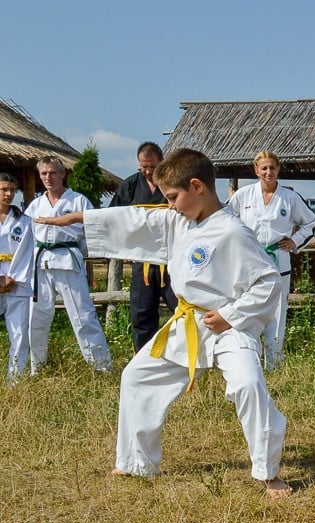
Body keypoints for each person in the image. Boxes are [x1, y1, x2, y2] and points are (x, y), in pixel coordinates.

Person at [35, 148, 292, 498]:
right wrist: (81, 218)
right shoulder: (180, 221)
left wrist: (231, 315)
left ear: (198, 186)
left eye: (173, 196)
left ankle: (268, 473)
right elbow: (137, 220)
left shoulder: (233, 231)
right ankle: (135, 462)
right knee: (136, 377)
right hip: (189, 321)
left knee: (248, 385)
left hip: (230, 327)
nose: (170, 205)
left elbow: (268, 282)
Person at [229, 151, 315, 370]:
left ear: (278, 170)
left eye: (272, 168)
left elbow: (310, 223)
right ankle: (247, 362)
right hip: (249, 262)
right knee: (246, 310)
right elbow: (225, 220)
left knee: (277, 312)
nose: (268, 172)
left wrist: (294, 241)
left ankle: (274, 365)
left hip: (279, 260)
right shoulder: (243, 195)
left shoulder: (290, 198)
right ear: (256, 170)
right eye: (264, 168)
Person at [26, 157, 112, 373]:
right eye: (44, 173)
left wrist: (78, 253)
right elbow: (26, 239)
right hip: (41, 265)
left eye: (53, 173)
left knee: (83, 316)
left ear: (63, 174)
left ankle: (101, 367)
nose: (48, 177)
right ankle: (38, 367)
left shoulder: (78, 201)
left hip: (68, 262)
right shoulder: (35, 205)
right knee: (36, 318)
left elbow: (92, 233)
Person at [110, 142, 177, 352]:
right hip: (143, 262)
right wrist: (125, 248)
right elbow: (114, 218)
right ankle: (143, 359)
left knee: (182, 310)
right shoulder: (130, 185)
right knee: (141, 313)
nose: (148, 171)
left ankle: (182, 356)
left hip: (172, 262)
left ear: (162, 162)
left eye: (152, 167)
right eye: (143, 167)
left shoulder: (174, 184)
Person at [0, 174, 33, 382]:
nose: (8, 194)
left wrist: (11, 278)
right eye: (3, 189)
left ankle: (15, 380)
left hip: (16, 281)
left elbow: (26, 252)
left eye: (12, 190)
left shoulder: (24, 221)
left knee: (20, 333)